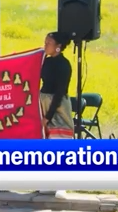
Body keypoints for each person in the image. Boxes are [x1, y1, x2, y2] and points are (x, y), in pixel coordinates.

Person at [38, 31, 74, 199]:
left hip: (57, 106)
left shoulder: (64, 65)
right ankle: (46, 183)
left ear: (58, 47)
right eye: (45, 42)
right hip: (43, 102)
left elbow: (60, 92)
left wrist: (48, 116)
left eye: (49, 43)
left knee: (59, 144)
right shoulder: (45, 61)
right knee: (45, 145)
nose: (45, 45)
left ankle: (61, 185)